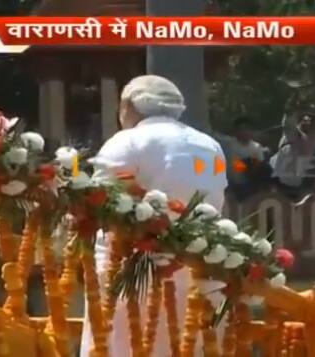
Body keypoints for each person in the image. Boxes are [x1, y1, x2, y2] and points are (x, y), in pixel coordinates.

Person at [81, 75, 228, 356]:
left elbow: (100, 201)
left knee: (121, 345)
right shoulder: (210, 145)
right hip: (204, 268)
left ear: (129, 106)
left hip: (135, 269)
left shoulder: (128, 140)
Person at [271, 112, 315, 199]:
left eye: (312, 122)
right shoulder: (286, 144)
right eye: (305, 120)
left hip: (308, 189)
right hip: (285, 188)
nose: (308, 123)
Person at [217, 117, 269, 199]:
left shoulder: (256, 147)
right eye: (242, 129)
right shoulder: (228, 143)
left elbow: (261, 168)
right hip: (229, 184)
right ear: (236, 131)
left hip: (248, 185)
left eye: (247, 129)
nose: (244, 132)